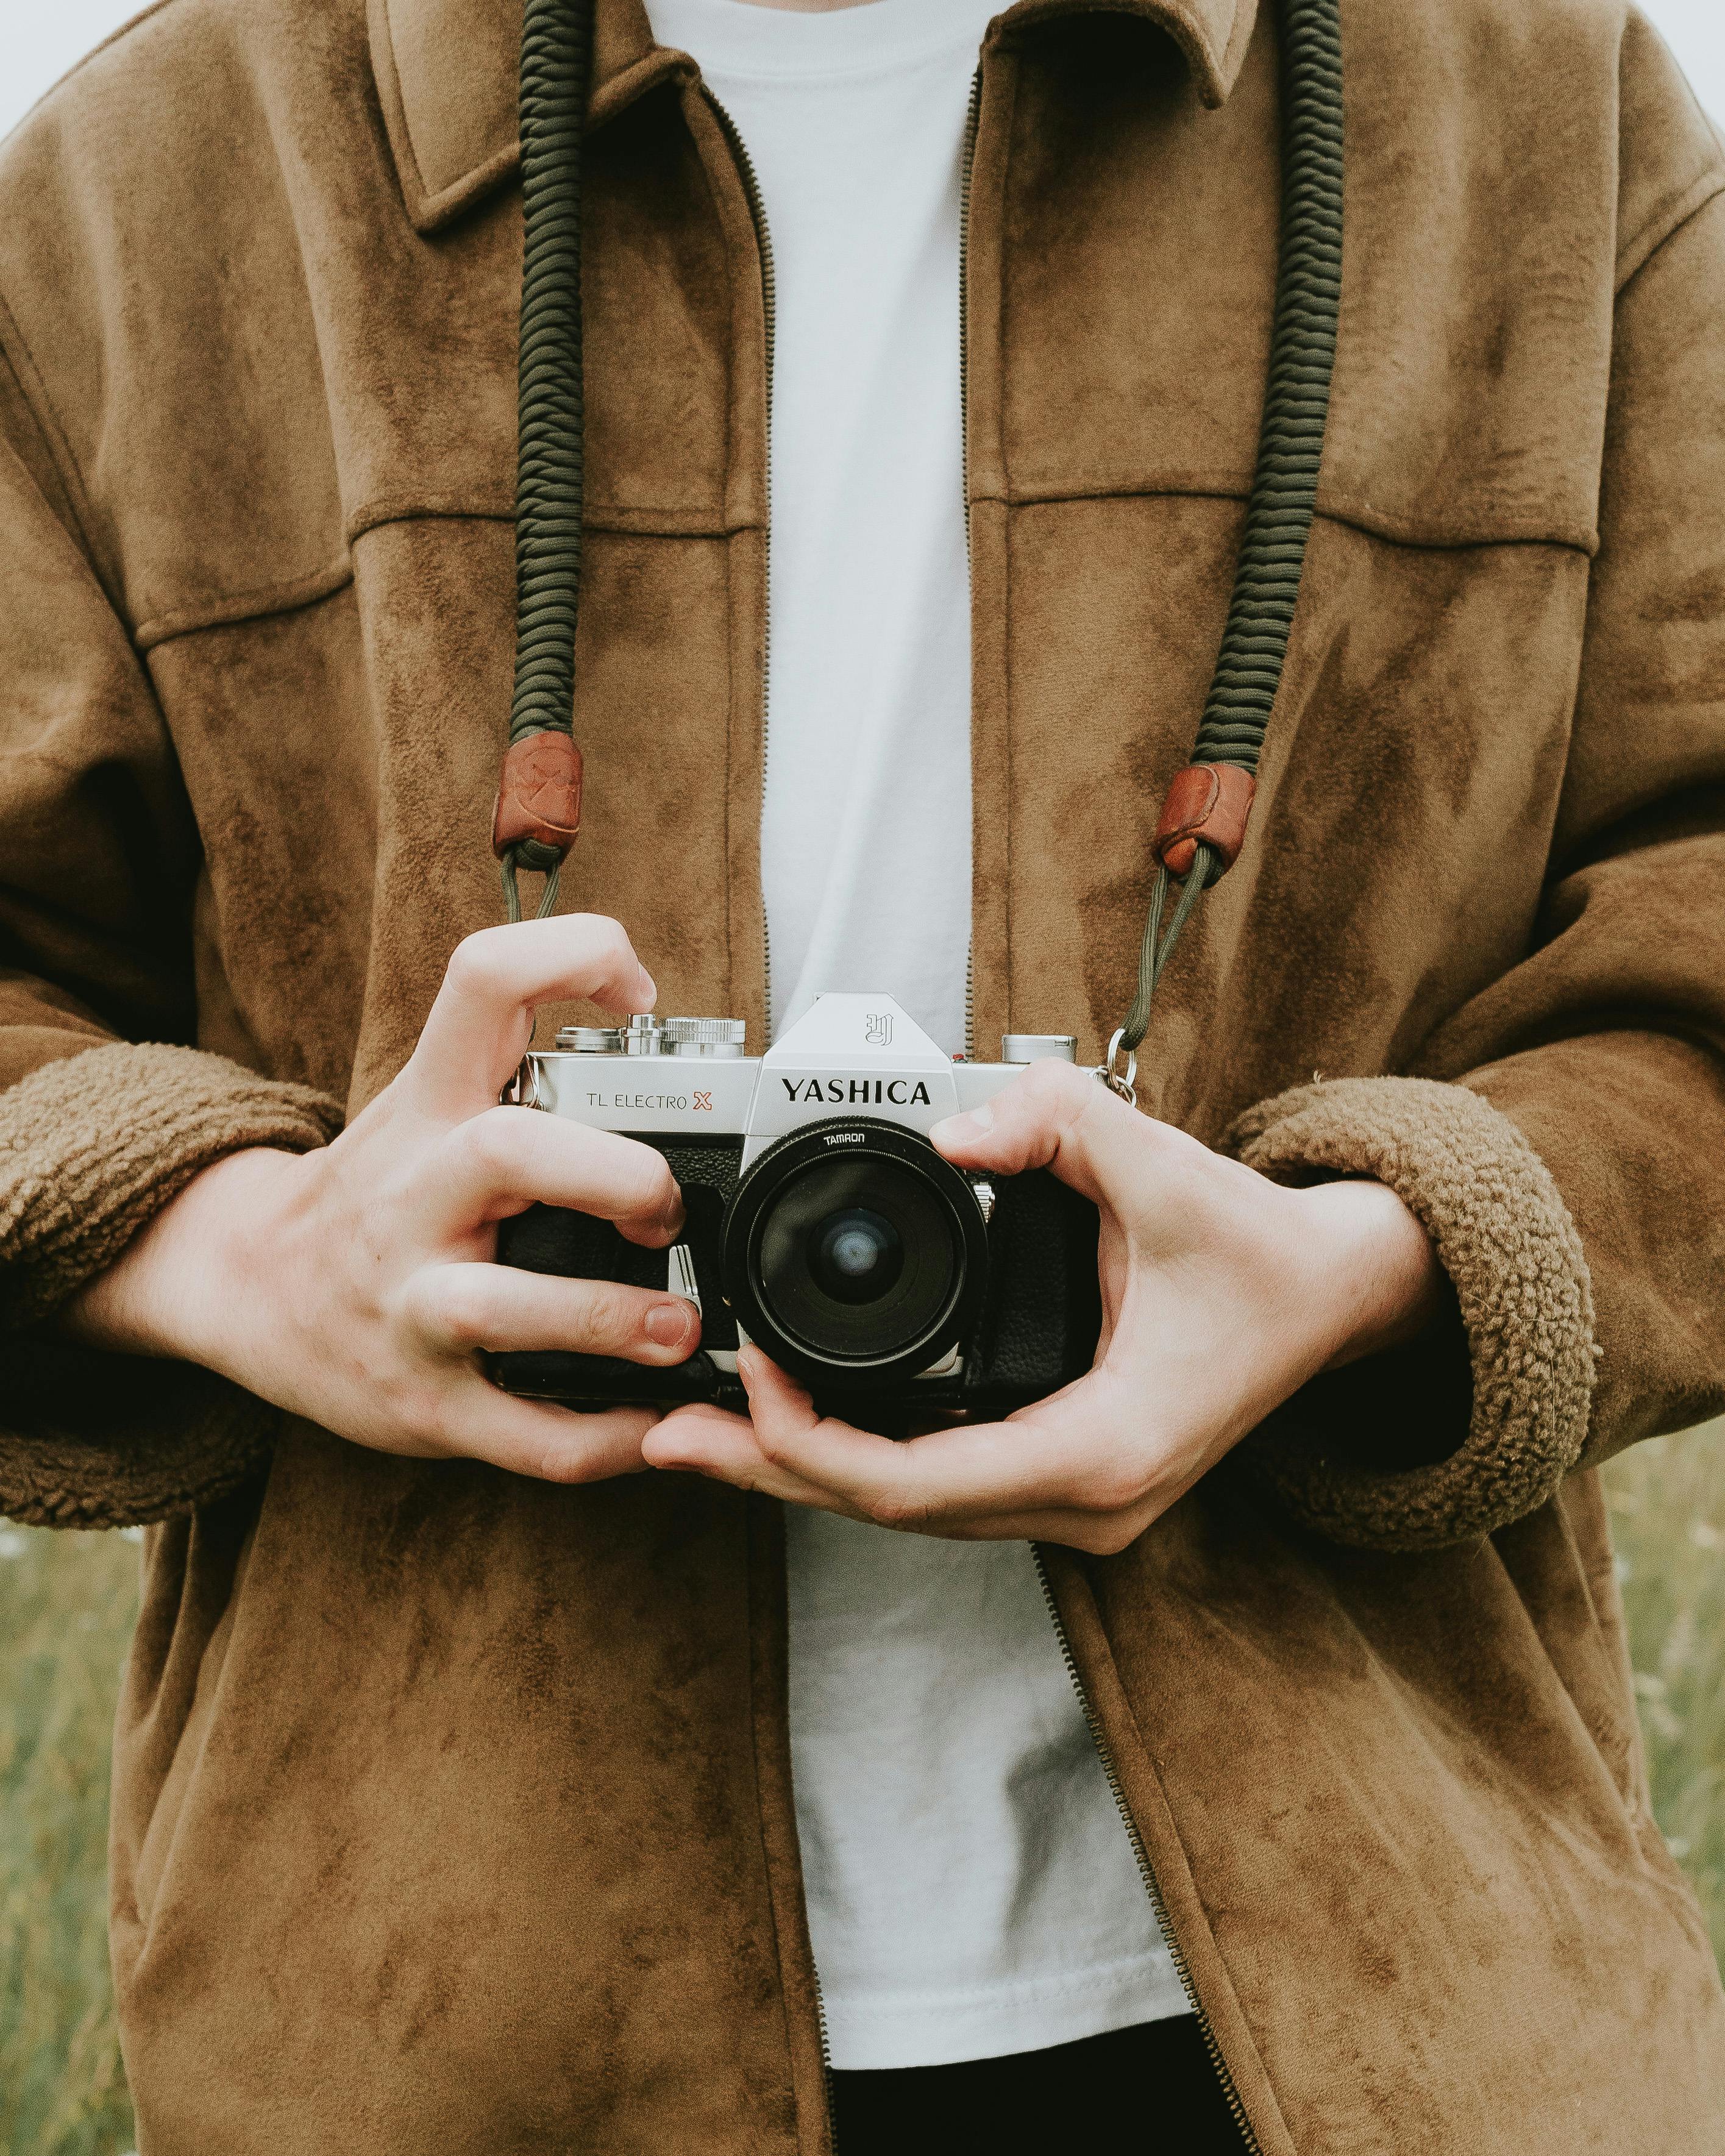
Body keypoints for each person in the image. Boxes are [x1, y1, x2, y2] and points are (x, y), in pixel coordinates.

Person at [1, 0, 1723, 2147]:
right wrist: (249, 1250)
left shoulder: (1534, 113)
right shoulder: (164, 168)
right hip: (447, 2032)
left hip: (1391, 2007)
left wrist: (1370, 1260)